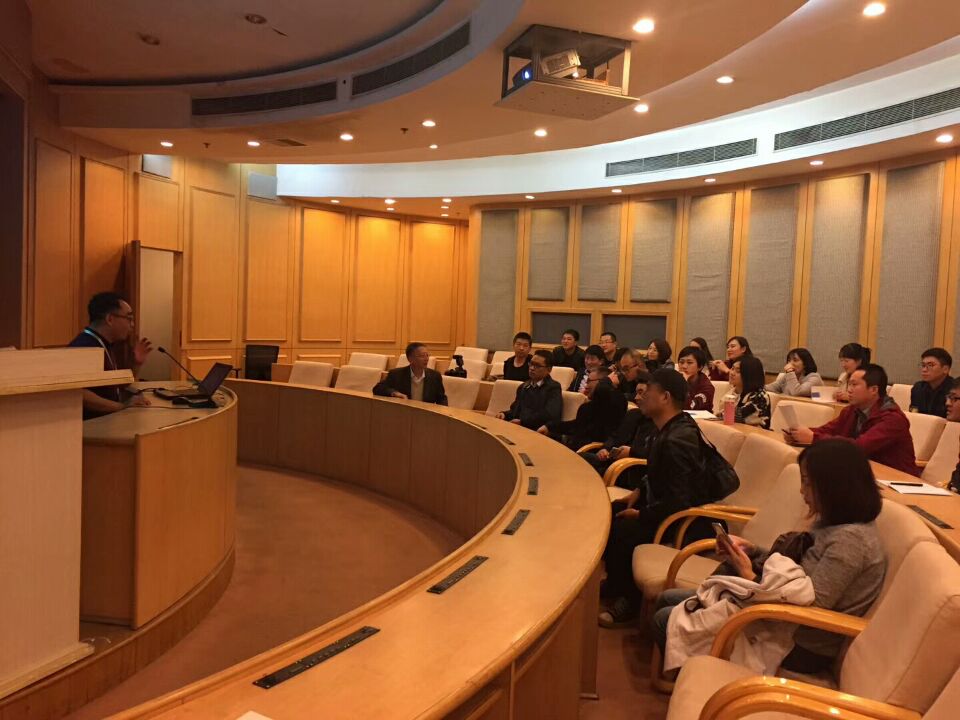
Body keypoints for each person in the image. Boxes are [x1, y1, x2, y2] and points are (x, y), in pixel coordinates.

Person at [652, 439, 885, 674]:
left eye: (807, 483)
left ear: (833, 487)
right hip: (774, 615)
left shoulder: (850, 542)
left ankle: (702, 680)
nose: (802, 491)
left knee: (665, 619)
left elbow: (809, 606)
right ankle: (689, 675)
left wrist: (750, 576)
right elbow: (798, 574)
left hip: (801, 644)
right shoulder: (833, 523)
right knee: (668, 599)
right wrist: (752, 550)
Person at [599, 369, 711, 626]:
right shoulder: (669, 427)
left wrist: (642, 513)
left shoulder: (678, 438)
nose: (640, 397)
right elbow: (657, 473)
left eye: (647, 391)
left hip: (686, 521)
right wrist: (639, 490)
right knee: (611, 510)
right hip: (665, 505)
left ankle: (630, 601)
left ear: (665, 397)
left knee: (625, 528)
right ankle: (617, 583)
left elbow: (680, 500)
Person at [785, 364, 918, 476]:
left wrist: (813, 438)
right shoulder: (852, 410)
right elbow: (828, 430)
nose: (849, 390)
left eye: (854, 385)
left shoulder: (893, 419)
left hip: (897, 480)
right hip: (865, 473)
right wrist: (800, 435)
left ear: (873, 390)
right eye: (849, 384)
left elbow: (860, 447)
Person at [68, 291, 153, 419]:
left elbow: (115, 386)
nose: (132, 325)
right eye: (129, 319)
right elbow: (78, 393)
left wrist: (136, 364)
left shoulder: (105, 343)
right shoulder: (84, 346)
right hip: (91, 425)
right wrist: (121, 407)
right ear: (110, 319)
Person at [581, 372, 656, 479]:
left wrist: (631, 452)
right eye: (636, 393)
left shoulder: (659, 422)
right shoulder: (633, 414)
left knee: (585, 473)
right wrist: (605, 448)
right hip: (611, 461)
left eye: (641, 393)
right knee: (578, 459)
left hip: (630, 469)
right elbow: (615, 436)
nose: (636, 398)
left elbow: (653, 454)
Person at [541, 367, 626, 449]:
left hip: (592, 451)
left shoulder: (616, 403)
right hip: (575, 448)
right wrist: (549, 426)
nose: (586, 386)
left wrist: (606, 381)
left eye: (589, 381)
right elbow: (575, 426)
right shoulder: (586, 407)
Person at [497, 349, 562, 430]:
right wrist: (504, 414)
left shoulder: (553, 388)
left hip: (537, 430)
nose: (531, 368)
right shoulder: (523, 386)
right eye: (531, 364)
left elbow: (549, 414)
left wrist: (523, 422)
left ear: (549, 369)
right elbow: (515, 410)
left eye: (537, 366)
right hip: (518, 427)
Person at [373, 342, 448, 404]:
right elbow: (377, 389)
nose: (426, 359)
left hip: (426, 414)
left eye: (427, 355)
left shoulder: (435, 376)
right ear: (410, 359)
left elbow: (441, 399)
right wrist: (395, 393)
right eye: (422, 356)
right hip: (404, 413)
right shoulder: (396, 374)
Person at [717, 355, 771, 429]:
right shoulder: (734, 391)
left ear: (750, 375)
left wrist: (720, 414)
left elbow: (736, 416)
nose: (732, 373)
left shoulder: (760, 396)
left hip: (755, 433)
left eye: (738, 371)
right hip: (733, 430)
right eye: (732, 368)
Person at [911, 348, 953, 417]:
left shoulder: (954, 391)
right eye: (923, 365)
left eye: (930, 365)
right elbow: (914, 414)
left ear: (945, 369)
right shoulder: (918, 388)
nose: (924, 370)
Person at [676, 345, 715, 411]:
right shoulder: (673, 380)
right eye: (681, 362)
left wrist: (683, 384)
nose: (684, 366)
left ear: (700, 367)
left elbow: (691, 408)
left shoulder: (707, 387)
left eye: (689, 362)